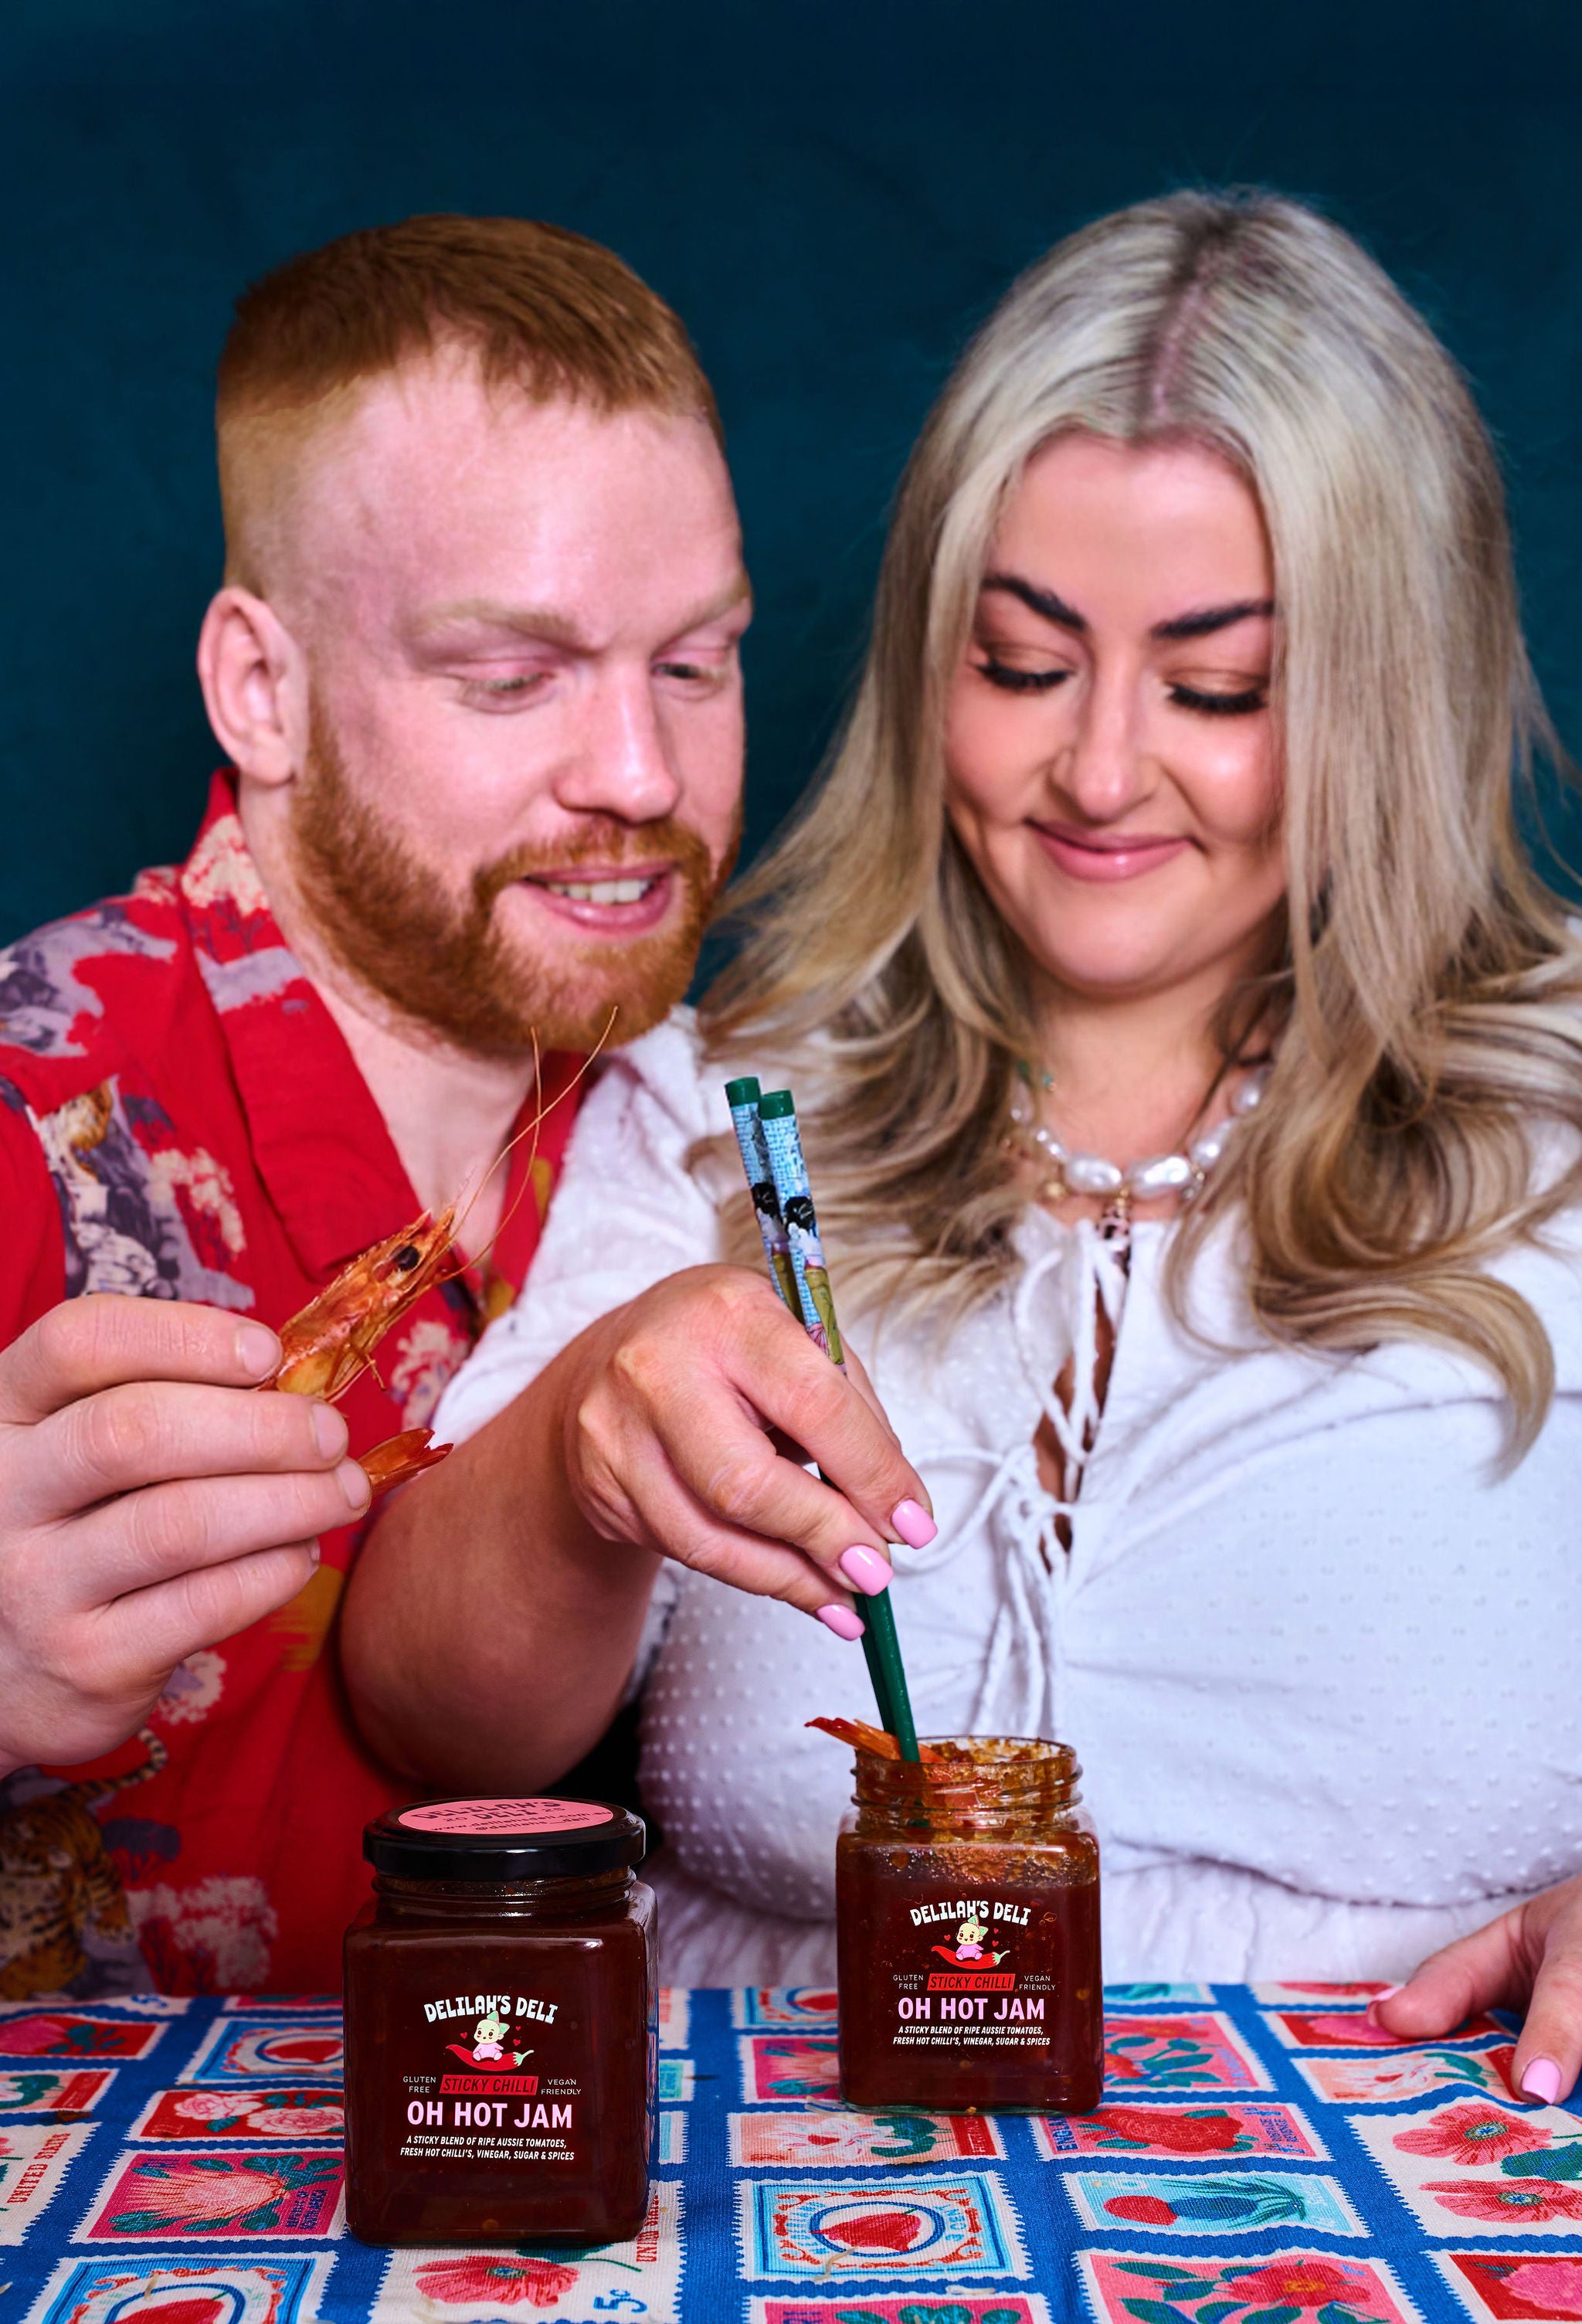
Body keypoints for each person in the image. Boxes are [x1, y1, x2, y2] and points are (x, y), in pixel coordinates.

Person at [349, 189, 1582, 2103]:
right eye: (1021, 664)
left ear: (1389, 694)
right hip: (781, 2189)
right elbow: (428, 1717)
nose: (1096, 772)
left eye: (1216, 687)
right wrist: (590, 1438)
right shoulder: (726, 1105)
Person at [0, 212, 747, 1995]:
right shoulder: (36, 1106)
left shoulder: (710, 1113)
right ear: (262, 687)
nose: (639, 775)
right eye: (512, 677)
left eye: (696, 662)